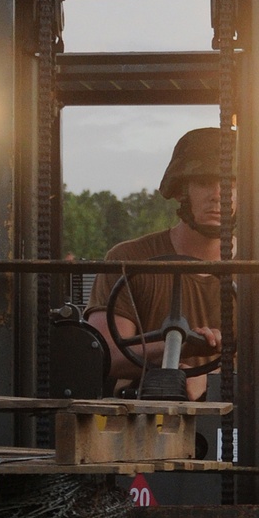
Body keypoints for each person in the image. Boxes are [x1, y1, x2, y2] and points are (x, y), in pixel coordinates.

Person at [85, 127, 229, 401]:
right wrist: (176, 348)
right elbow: (103, 354)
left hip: (244, 427)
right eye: (204, 182)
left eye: (231, 182)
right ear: (180, 191)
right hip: (145, 419)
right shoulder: (129, 260)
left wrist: (210, 381)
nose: (218, 194)